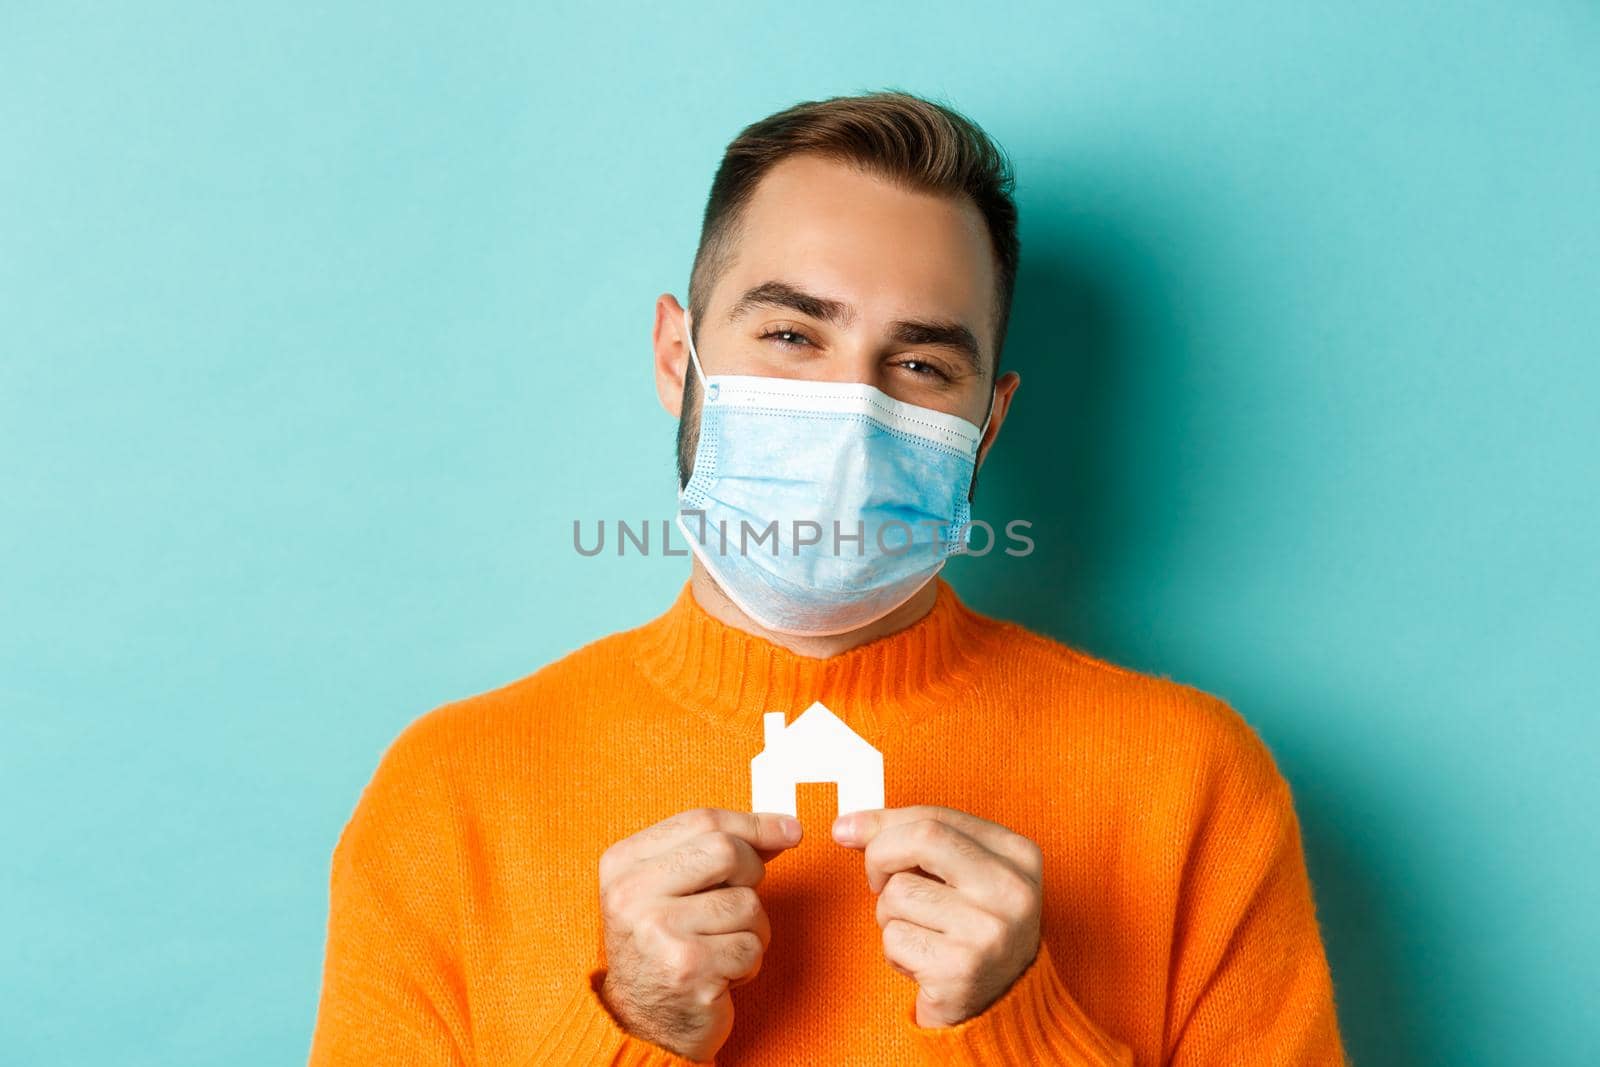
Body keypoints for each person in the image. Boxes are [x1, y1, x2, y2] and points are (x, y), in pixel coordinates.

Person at [308, 90, 1348, 1065]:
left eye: (922, 364)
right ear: (678, 357)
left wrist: (1016, 1026)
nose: (849, 415)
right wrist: (638, 1026)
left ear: (986, 423)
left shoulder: (1193, 785)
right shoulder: (448, 795)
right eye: (792, 334)